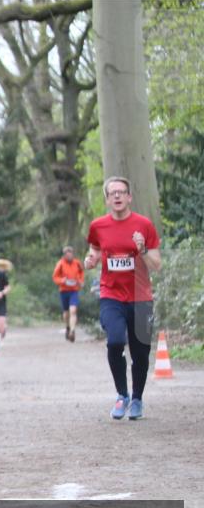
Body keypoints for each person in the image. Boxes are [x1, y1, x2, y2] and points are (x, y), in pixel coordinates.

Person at [84, 176, 162, 420]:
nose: (117, 196)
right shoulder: (98, 226)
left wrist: (142, 250)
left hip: (141, 296)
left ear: (129, 197)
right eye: (112, 193)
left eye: (121, 192)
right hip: (111, 294)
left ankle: (137, 398)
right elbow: (95, 249)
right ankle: (122, 395)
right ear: (107, 199)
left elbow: (156, 265)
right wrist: (91, 260)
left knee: (140, 352)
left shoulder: (144, 225)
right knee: (115, 341)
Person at [53, 245, 84, 342]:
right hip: (64, 291)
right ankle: (67, 327)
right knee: (66, 313)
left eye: (71, 254)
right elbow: (55, 277)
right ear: (65, 256)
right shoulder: (60, 264)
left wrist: (80, 281)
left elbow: (81, 273)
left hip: (74, 290)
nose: (70, 256)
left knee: (73, 310)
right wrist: (62, 280)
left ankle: (72, 331)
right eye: (67, 255)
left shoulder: (77, 263)